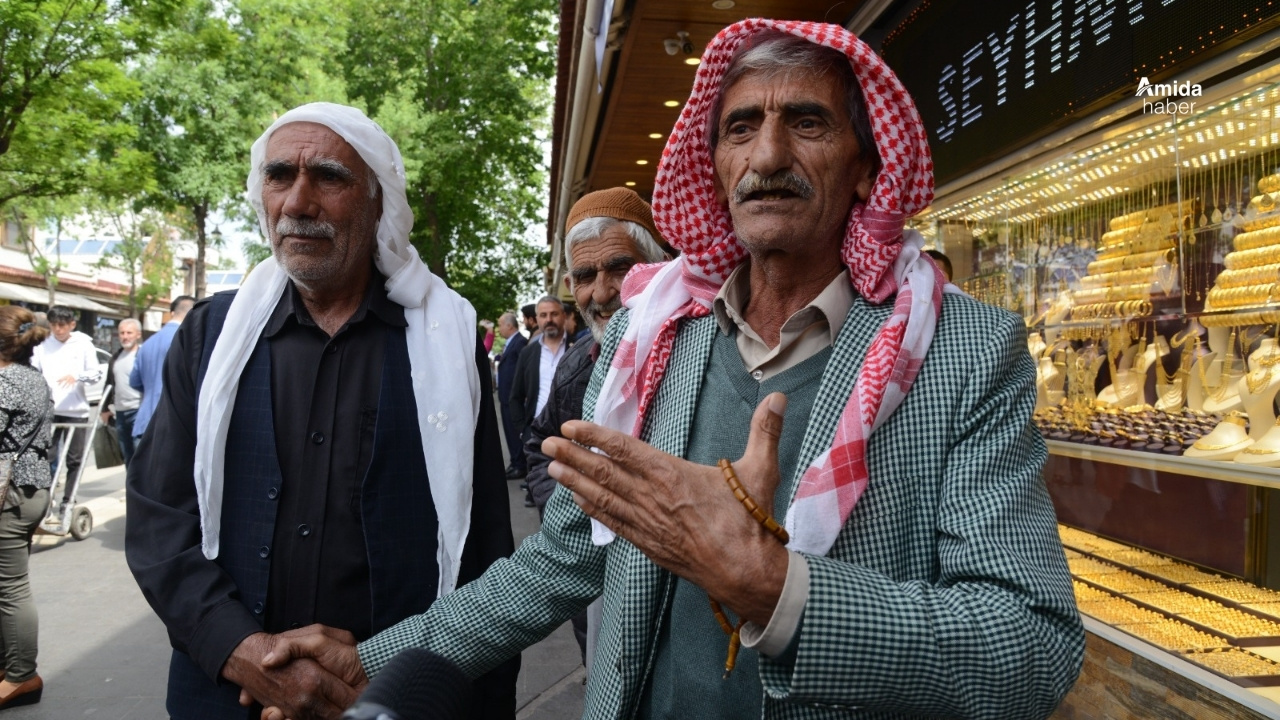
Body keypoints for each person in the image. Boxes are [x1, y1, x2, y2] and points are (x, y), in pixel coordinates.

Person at [262, 22, 1083, 720]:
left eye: (807, 123)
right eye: (739, 128)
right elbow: (561, 561)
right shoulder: (655, 338)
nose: (767, 154)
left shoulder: (963, 353)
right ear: (714, 166)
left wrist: (776, 589)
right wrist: (373, 660)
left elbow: (1031, 646)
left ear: (867, 166)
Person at [124, 102, 517, 720]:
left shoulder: (443, 341)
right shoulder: (211, 335)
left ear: (378, 202)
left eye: (329, 177)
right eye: (280, 176)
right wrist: (241, 649)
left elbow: (483, 546)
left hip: (385, 695)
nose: (298, 202)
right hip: (227, 691)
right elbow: (158, 521)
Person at [521, 187, 668, 666]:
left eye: (619, 269)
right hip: (594, 572)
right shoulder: (577, 365)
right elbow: (538, 444)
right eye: (585, 276)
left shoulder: (700, 349)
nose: (601, 294)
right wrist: (570, 501)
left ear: (657, 265)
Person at [0, 307, 52, 709]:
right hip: (30, 488)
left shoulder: (6, 381)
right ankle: (10, 667)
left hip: (11, 493)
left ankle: (21, 676)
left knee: (10, 588)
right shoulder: (32, 376)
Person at [31, 306, 100, 513]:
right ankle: (46, 499)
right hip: (49, 409)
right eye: (54, 325)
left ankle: (68, 500)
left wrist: (77, 376)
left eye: (62, 325)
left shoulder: (83, 344)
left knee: (75, 459)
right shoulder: (42, 344)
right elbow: (34, 369)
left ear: (72, 324)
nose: (58, 330)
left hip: (76, 410)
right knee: (46, 456)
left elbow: (95, 374)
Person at [508, 297, 567, 506]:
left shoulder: (579, 347)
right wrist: (523, 431)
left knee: (572, 495)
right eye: (543, 315)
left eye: (554, 314)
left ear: (564, 316)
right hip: (537, 433)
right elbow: (515, 397)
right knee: (543, 496)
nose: (549, 319)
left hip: (572, 433)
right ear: (538, 319)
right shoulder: (528, 353)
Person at [129, 295, 194, 444]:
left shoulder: (147, 343)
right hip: (173, 426)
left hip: (144, 423)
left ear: (172, 313)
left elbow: (134, 381)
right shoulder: (186, 340)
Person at [100, 318, 143, 467]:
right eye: (122, 333)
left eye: (129, 333)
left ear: (138, 334)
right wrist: (105, 409)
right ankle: (131, 488)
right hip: (120, 413)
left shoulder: (142, 355)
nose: (125, 336)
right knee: (127, 455)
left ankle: (142, 488)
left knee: (140, 452)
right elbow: (109, 384)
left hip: (139, 411)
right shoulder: (116, 357)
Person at [494, 312, 527, 480]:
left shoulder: (520, 342)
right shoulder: (511, 342)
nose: (499, 329)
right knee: (509, 432)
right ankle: (515, 462)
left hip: (514, 397)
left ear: (509, 325)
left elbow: (524, 370)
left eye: (500, 325)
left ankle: (519, 465)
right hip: (506, 396)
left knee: (515, 433)